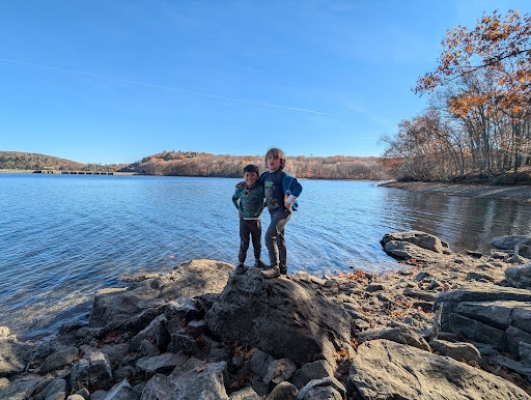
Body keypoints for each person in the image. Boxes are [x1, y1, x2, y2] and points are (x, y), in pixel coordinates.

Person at [259, 147, 303, 279]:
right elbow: (256, 186)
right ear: (266, 161)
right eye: (269, 158)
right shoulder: (265, 176)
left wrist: (289, 201)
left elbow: (298, 187)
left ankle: (274, 267)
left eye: (275, 158)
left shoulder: (283, 176)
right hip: (273, 213)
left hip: (283, 212)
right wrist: (245, 183)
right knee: (279, 239)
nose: (272, 160)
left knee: (269, 237)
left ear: (281, 161)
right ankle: (283, 267)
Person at [232, 164, 267, 275]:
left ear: (257, 176)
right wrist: (240, 210)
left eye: (253, 175)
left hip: (256, 220)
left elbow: (270, 197)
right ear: (244, 176)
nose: (250, 177)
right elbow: (234, 198)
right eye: (247, 175)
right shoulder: (241, 188)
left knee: (257, 242)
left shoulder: (261, 188)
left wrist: (263, 206)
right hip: (244, 221)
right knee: (244, 243)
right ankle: (241, 263)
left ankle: (258, 261)